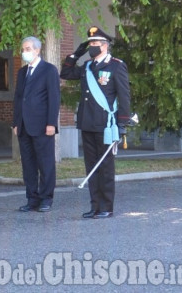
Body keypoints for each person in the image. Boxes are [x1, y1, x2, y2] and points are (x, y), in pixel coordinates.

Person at [60, 25, 131, 219]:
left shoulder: (116, 65)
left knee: (105, 167)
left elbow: (124, 96)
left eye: (95, 43)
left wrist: (122, 123)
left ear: (105, 45)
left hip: (106, 124)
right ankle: (95, 206)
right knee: (91, 166)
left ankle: (106, 207)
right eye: (89, 43)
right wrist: (76, 53)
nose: (92, 46)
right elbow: (65, 74)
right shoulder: (87, 66)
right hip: (87, 122)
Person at [12, 35, 60, 213]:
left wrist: (51, 123)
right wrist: (16, 122)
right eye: (23, 49)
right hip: (24, 125)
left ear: (37, 50)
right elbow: (18, 98)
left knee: (45, 163)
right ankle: (32, 198)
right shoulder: (22, 72)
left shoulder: (49, 70)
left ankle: (46, 198)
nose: (24, 52)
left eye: (28, 49)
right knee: (28, 164)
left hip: (42, 125)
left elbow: (54, 99)